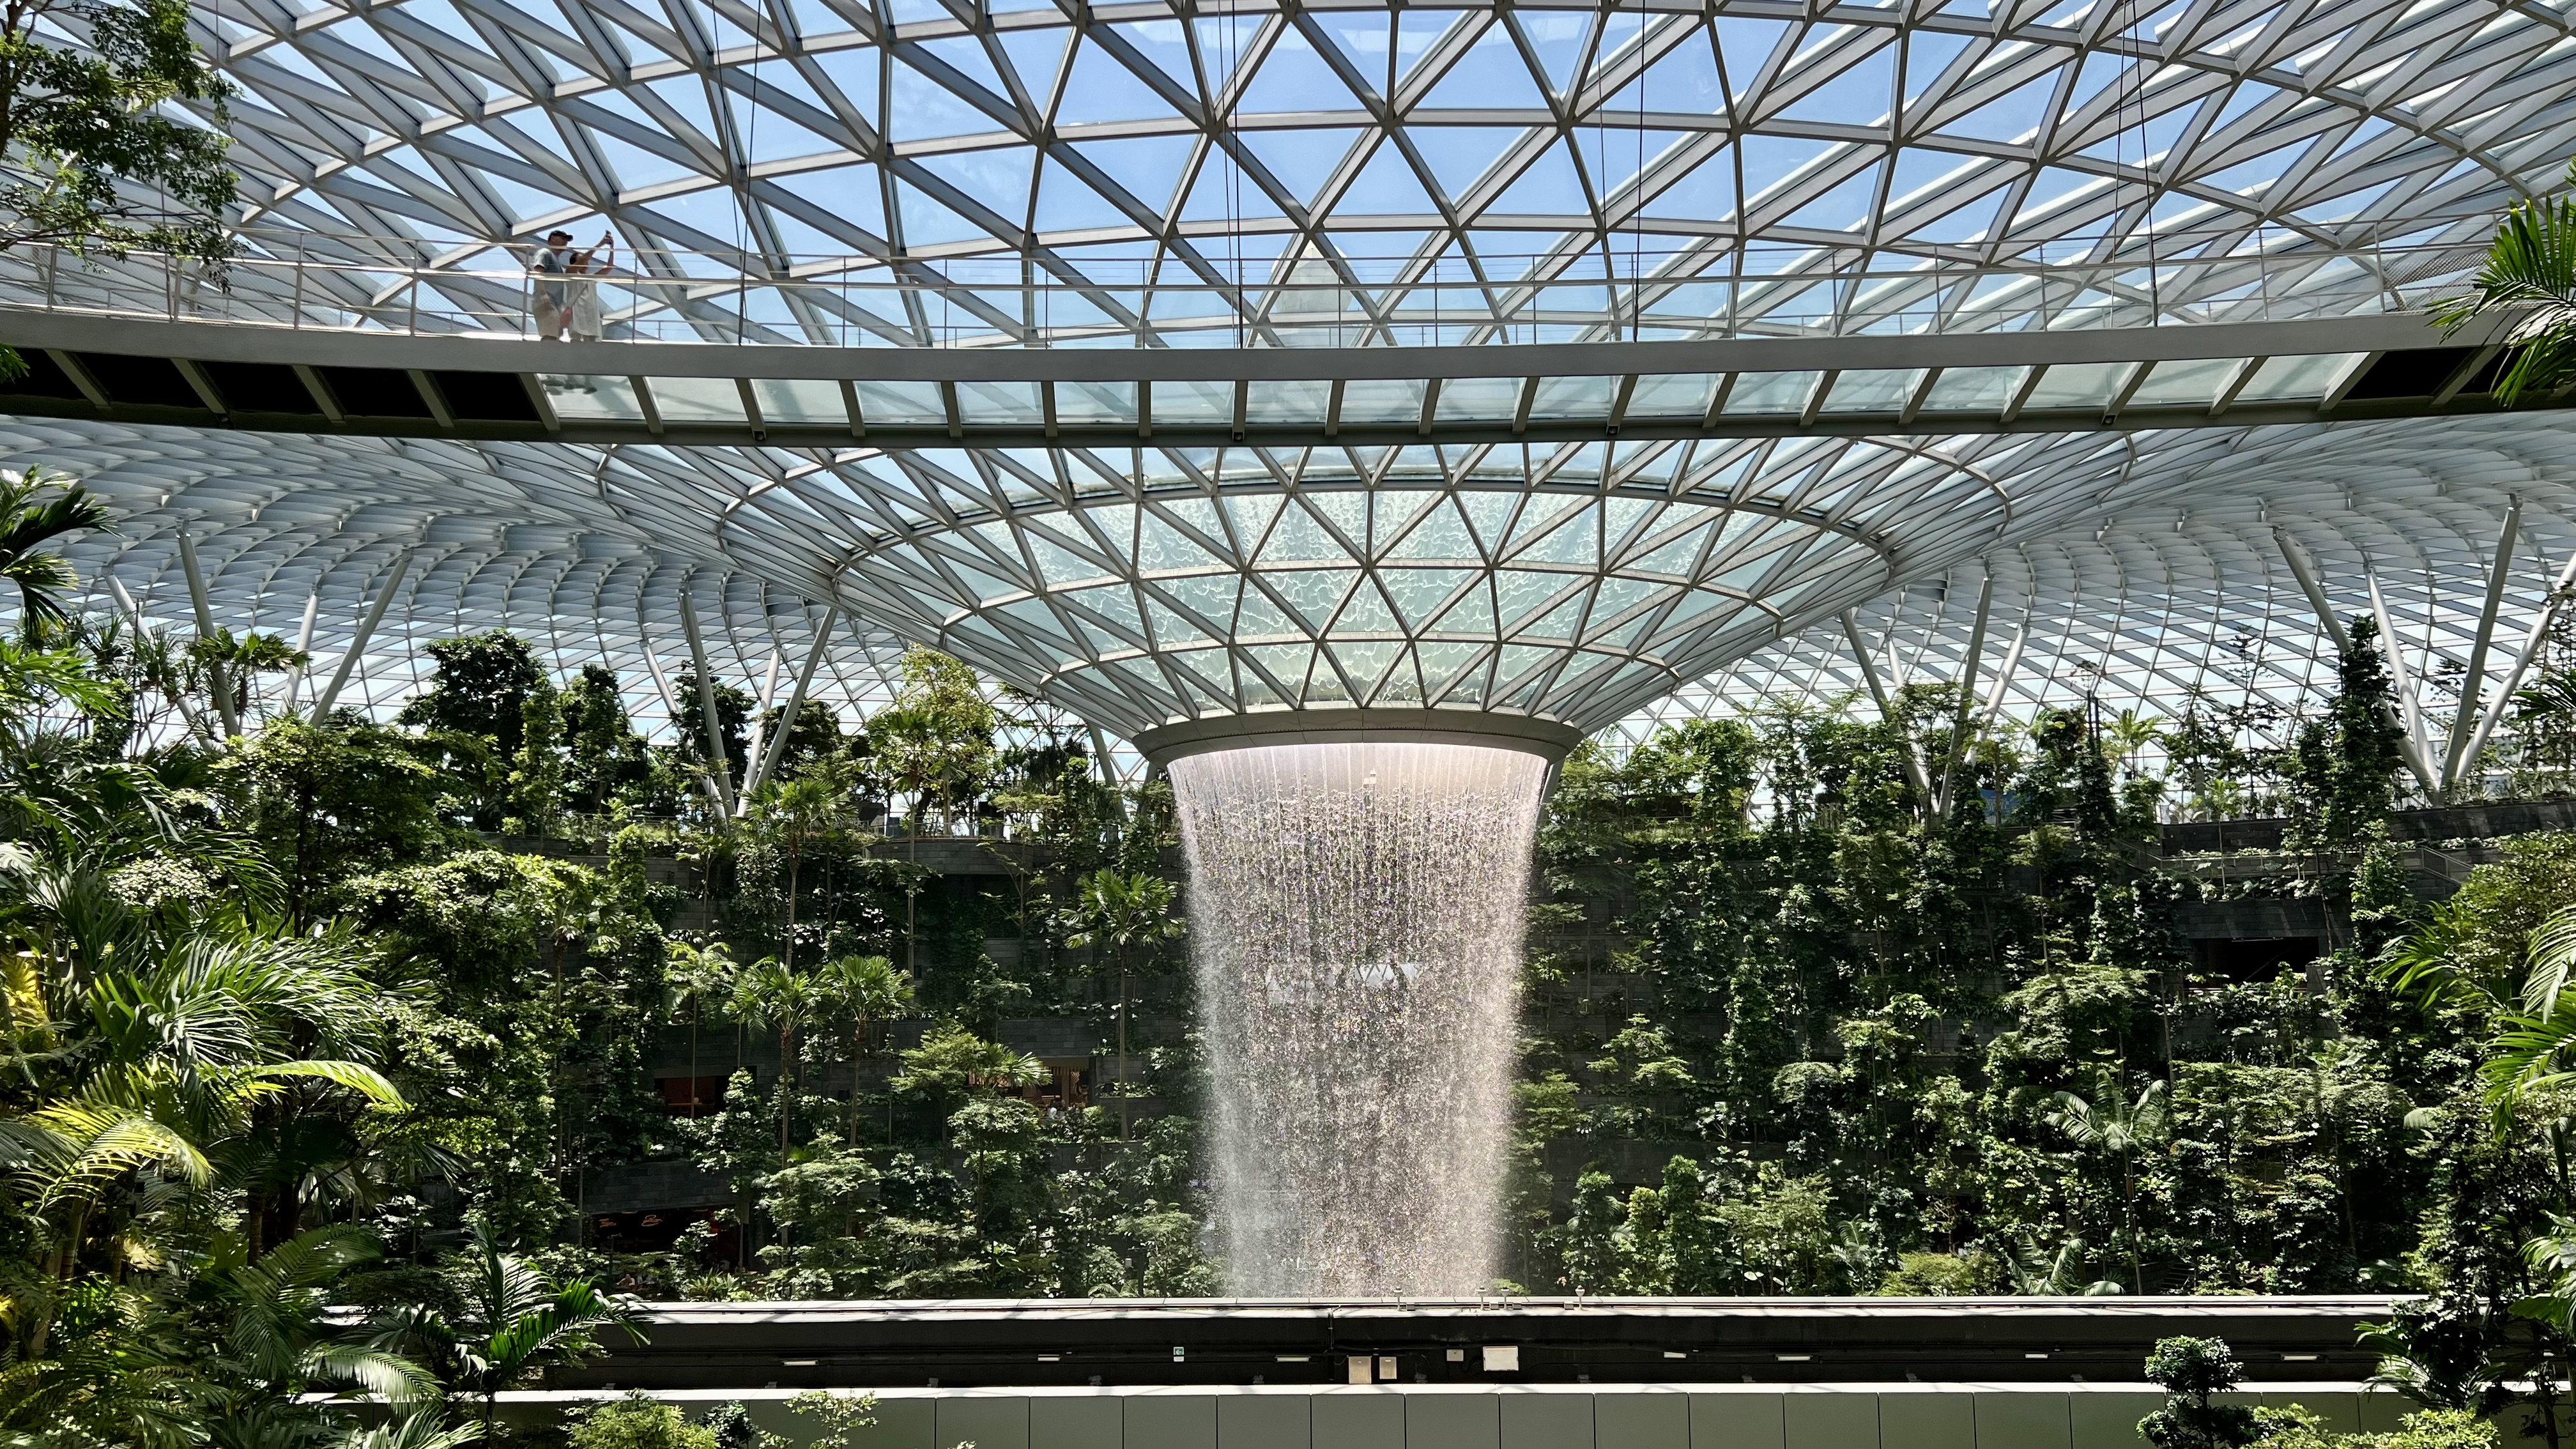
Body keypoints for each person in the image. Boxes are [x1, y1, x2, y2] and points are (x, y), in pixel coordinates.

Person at [567, 231, 612, 342]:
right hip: (577, 312)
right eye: (582, 259)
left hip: (591, 313)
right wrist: (601, 244)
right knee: (576, 340)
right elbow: (583, 260)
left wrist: (612, 248)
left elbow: (609, 267)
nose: (586, 261)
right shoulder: (570, 273)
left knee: (592, 342)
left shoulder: (591, 278)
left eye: (587, 260)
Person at [530, 229, 574, 339]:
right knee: (550, 335)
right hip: (546, 301)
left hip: (554, 303)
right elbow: (538, 272)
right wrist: (543, 295)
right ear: (553, 239)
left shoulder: (557, 261)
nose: (565, 242)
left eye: (567, 240)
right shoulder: (545, 253)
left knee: (554, 335)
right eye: (563, 239)